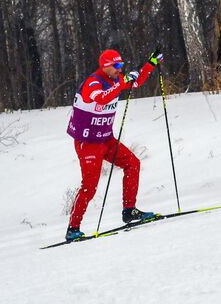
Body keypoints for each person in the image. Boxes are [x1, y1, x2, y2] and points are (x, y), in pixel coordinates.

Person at [64, 47, 163, 242]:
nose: (120, 69)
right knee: (90, 186)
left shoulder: (114, 79)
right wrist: (122, 82)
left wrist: (150, 64)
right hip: (88, 142)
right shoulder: (93, 83)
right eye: (116, 66)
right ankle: (73, 229)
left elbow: (136, 82)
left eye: (122, 65)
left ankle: (129, 210)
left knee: (133, 164)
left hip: (106, 139)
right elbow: (102, 97)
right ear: (105, 66)